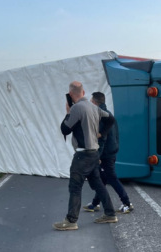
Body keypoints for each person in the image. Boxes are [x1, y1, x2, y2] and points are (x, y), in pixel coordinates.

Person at [53, 81, 117, 231]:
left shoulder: (76, 108)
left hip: (82, 155)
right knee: (98, 184)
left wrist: (68, 112)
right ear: (83, 92)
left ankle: (71, 220)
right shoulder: (93, 107)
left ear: (70, 95)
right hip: (94, 153)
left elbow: (65, 129)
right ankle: (110, 213)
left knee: (75, 187)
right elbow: (111, 119)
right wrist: (102, 133)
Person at [83, 92, 134, 214]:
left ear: (95, 103)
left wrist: (97, 156)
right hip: (111, 151)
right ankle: (95, 204)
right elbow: (116, 134)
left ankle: (127, 203)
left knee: (111, 177)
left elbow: (102, 138)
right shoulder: (109, 114)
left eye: (91, 102)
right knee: (104, 179)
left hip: (105, 154)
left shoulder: (99, 117)